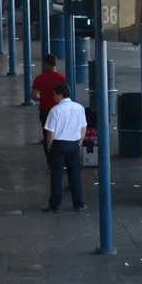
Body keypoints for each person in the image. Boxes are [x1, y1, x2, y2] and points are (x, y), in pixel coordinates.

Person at [43, 83, 87, 213]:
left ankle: (55, 205)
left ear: (60, 95)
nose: (53, 97)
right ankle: (78, 203)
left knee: (57, 176)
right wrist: (79, 142)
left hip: (59, 145)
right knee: (75, 175)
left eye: (54, 95)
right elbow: (83, 127)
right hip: (74, 144)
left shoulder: (55, 110)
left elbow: (50, 131)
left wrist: (49, 145)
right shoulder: (79, 108)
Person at [31, 54, 67, 161]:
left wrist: (40, 98)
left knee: (48, 136)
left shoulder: (40, 78)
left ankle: (51, 161)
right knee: (61, 134)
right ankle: (62, 159)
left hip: (45, 110)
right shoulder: (62, 78)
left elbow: (33, 95)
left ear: (45, 64)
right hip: (60, 110)